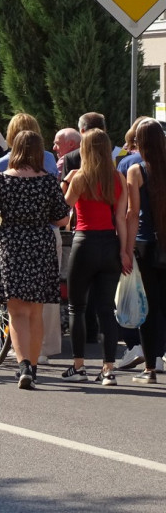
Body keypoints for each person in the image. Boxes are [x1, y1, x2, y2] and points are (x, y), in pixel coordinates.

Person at [0, 131, 71, 389]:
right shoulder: (49, 182)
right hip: (40, 245)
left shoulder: (2, 181)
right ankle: (35, 366)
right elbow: (62, 220)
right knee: (35, 312)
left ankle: (23, 365)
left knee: (16, 313)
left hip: (12, 246)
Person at [60, 128, 130, 386]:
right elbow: (121, 219)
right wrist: (124, 251)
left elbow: (62, 211)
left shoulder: (79, 177)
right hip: (110, 244)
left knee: (76, 307)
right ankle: (108, 370)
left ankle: (79, 366)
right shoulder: (118, 178)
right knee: (106, 310)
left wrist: (64, 183)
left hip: (84, 243)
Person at [125, 119, 166, 383]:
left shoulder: (137, 170)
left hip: (145, 244)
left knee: (148, 307)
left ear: (140, 142)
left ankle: (150, 368)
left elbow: (131, 213)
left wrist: (125, 249)